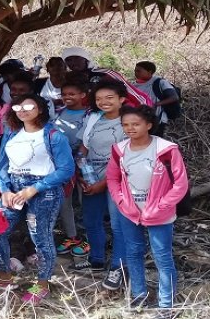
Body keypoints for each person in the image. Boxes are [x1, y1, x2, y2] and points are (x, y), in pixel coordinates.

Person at [0, 94, 74, 303]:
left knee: (41, 236)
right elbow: (1, 166)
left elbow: (66, 169)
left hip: (43, 191)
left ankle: (42, 284)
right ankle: (4, 276)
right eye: (18, 106)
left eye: (29, 105)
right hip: (13, 188)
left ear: (40, 109)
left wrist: (36, 188)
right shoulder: (11, 134)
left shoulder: (54, 136)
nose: (23, 110)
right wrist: (5, 190)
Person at [108, 106, 188, 317]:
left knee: (162, 257)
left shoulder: (166, 149)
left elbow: (180, 184)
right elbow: (112, 178)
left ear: (149, 125)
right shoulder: (119, 149)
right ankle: (138, 296)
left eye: (135, 124)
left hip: (159, 214)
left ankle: (166, 306)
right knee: (133, 253)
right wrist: (121, 201)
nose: (130, 128)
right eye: (125, 124)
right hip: (130, 212)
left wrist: (161, 206)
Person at [72, 81, 129, 291]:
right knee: (91, 220)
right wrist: (82, 172)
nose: (103, 102)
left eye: (109, 98)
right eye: (99, 99)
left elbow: (129, 157)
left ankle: (117, 267)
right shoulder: (93, 118)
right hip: (91, 178)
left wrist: (104, 183)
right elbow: (84, 146)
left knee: (117, 225)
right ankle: (97, 259)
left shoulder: (128, 121)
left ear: (122, 99)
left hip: (119, 181)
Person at [52, 80, 92, 258]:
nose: (67, 97)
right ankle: (72, 236)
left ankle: (90, 238)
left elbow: (90, 138)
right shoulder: (59, 112)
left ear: (83, 95)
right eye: (64, 94)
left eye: (72, 94)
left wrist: (79, 158)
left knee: (88, 200)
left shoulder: (90, 114)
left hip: (85, 164)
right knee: (64, 200)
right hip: (62, 164)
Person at [62, 47, 152, 107]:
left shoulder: (104, 73)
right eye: (69, 60)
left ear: (85, 59)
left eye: (77, 58)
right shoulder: (70, 80)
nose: (73, 62)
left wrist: (145, 109)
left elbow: (131, 92)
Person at [132, 61, 180, 137]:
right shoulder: (134, 85)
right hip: (140, 120)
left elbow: (174, 97)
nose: (136, 73)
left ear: (149, 72)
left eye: (139, 71)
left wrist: (156, 104)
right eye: (135, 71)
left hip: (157, 120)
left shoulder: (160, 83)